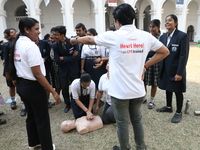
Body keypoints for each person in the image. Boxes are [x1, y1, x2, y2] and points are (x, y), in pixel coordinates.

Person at [70, 3, 169, 150]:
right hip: (137, 90)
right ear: (133, 18)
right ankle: (141, 147)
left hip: (119, 92)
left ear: (117, 21)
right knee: (137, 120)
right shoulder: (145, 36)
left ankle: (125, 148)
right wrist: (145, 65)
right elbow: (165, 51)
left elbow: (90, 40)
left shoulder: (113, 36)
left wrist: (74, 39)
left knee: (122, 122)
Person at [8, 17, 60, 150]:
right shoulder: (30, 46)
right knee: (42, 119)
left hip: (22, 85)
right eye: (36, 29)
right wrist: (53, 92)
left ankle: (33, 143)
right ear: (26, 30)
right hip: (33, 87)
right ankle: (47, 147)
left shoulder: (17, 42)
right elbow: (37, 74)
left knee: (31, 116)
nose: (39, 32)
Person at [156, 14, 189, 123]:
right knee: (167, 88)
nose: (167, 22)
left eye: (170, 20)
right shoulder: (163, 37)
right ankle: (168, 106)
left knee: (177, 91)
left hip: (176, 70)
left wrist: (180, 73)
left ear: (176, 23)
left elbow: (183, 56)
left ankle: (178, 112)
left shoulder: (182, 36)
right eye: (166, 21)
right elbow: (159, 51)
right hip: (165, 68)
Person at [52, 25, 80, 113]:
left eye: (56, 34)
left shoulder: (73, 42)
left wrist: (63, 58)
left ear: (62, 35)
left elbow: (77, 57)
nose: (54, 36)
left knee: (76, 87)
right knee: (64, 88)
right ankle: (67, 104)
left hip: (73, 69)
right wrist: (70, 57)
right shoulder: (55, 45)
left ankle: (76, 103)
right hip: (62, 70)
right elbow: (57, 60)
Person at [143, 19, 161, 109]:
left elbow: (159, 52)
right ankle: (144, 97)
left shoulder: (161, 38)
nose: (151, 29)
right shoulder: (148, 37)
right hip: (146, 62)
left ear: (158, 27)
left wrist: (150, 53)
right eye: (150, 27)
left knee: (154, 83)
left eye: (153, 26)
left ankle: (152, 100)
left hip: (156, 64)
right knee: (144, 81)